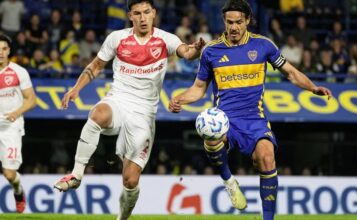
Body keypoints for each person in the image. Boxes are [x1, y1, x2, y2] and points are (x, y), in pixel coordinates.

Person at [168, 1, 332, 219]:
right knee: (208, 130)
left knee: (266, 158)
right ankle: (228, 180)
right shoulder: (211, 51)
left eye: (238, 22)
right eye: (229, 22)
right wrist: (179, 99)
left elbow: (291, 72)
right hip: (225, 119)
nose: (233, 27)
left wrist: (313, 87)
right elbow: (198, 89)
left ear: (247, 21)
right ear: (224, 22)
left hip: (254, 118)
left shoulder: (263, 45)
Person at [53, 0, 205, 219]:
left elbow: (186, 52)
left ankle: (122, 218)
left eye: (146, 12)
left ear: (154, 13)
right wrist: (76, 89)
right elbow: (96, 65)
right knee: (97, 114)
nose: (142, 18)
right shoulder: (117, 38)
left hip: (143, 112)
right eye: (137, 13)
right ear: (130, 16)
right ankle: (76, 175)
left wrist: (196, 50)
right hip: (119, 98)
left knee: (130, 180)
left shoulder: (165, 39)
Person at [0, 34, 37, 213]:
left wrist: (16, 112)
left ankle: (18, 191)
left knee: (9, 174)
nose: (0, 52)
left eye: (4, 49)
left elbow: (31, 100)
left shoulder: (18, 71)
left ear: (9, 51)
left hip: (10, 127)